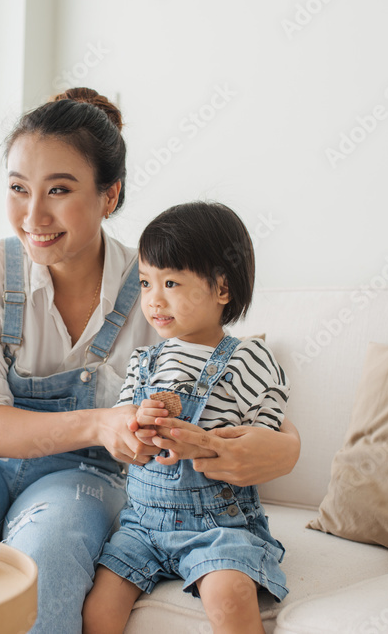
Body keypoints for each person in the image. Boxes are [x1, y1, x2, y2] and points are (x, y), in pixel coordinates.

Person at [0, 89, 301, 634]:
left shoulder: (155, 287)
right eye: (18, 189)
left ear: (110, 196)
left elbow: (223, 372)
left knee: (48, 554)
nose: (33, 215)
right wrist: (102, 421)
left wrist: (285, 446)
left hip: (84, 470)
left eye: (59, 190)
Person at [83, 202, 289, 634]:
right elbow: (123, 430)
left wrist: (210, 445)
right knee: (98, 609)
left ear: (222, 289)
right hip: (142, 523)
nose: (153, 299)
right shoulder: (144, 360)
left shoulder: (248, 358)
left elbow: (261, 442)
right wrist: (137, 421)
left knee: (230, 596)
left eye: (171, 282)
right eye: (145, 283)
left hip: (219, 525)